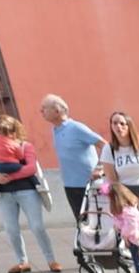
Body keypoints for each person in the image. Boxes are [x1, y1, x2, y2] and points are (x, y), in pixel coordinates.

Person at [0, 114, 59, 273]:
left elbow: (31, 168)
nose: (3, 136)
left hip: (27, 190)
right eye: (0, 132)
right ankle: (22, 262)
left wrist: (9, 178)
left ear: (14, 131)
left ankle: (51, 260)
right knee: (11, 229)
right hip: (3, 193)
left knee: (37, 226)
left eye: (7, 132)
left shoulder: (25, 146)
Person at [40, 94, 104, 227]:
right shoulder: (55, 129)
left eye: (44, 108)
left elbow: (105, 146)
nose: (41, 112)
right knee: (81, 223)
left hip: (88, 184)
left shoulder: (77, 128)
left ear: (57, 110)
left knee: (99, 222)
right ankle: (87, 246)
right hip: (70, 184)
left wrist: (99, 168)